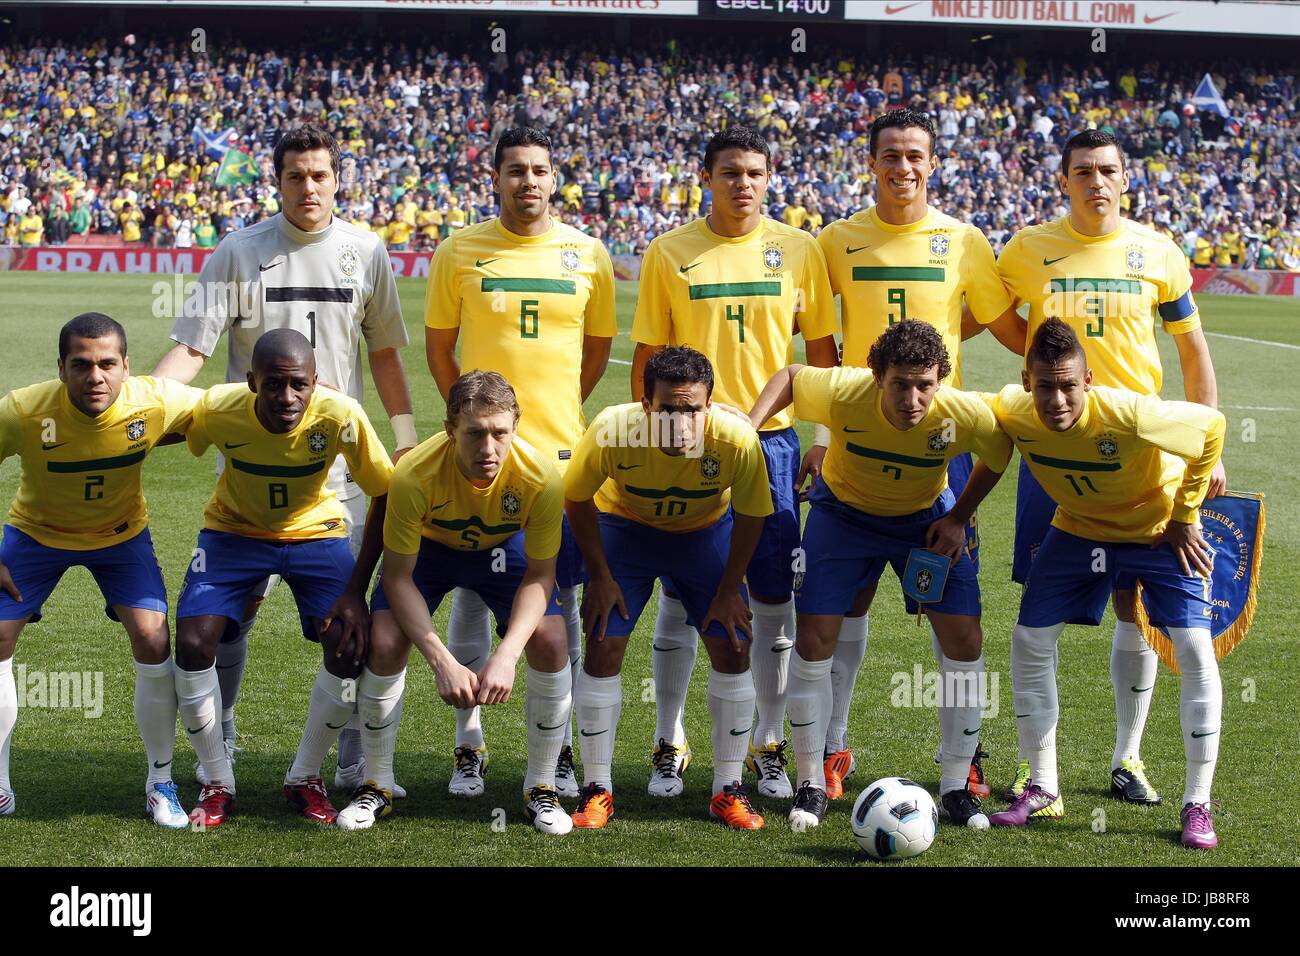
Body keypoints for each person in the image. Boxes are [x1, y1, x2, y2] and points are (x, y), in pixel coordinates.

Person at [152, 124, 416, 796]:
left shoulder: (365, 250)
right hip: (252, 467)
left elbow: (384, 350)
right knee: (227, 616)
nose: (308, 188)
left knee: (352, 621)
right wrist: (143, 407)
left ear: (337, 180)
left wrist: (406, 434)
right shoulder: (240, 253)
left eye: (319, 175)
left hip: (339, 473)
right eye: (295, 176)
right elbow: (192, 347)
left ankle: (352, 758)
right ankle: (226, 726)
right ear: (277, 181)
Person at [997, 128, 1225, 808]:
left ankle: (1127, 758)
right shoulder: (1027, 249)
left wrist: (1201, 441)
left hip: (1140, 458)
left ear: (1125, 180)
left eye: (1108, 170)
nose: (1096, 181)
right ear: (1062, 180)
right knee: (1043, 612)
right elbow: (1000, 321)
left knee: (1134, 606)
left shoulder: (1156, 251)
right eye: (1083, 171)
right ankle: (1040, 774)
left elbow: (1192, 349)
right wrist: (1044, 370)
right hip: (1058, 450)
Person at [814, 107, 1026, 800]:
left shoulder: (963, 241)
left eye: (915, 156)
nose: (903, 168)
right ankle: (831, 747)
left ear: (932, 164)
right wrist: (823, 435)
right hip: (856, 438)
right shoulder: (837, 240)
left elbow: (997, 323)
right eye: (891, 156)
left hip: (940, 448)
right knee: (850, 597)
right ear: (870, 162)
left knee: (945, 603)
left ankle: (961, 760)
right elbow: (820, 347)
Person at [630, 125, 838, 800]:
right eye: (729, 172)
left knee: (773, 597)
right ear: (707, 177)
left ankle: (766, 744)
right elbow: (645, 362)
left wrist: (824, 439)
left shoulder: (799, 249)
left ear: (769, 176)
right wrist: (654, 437)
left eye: (753, 172)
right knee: (679, 591)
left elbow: (824, 358)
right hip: (690, 441)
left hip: (774, 444)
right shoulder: (670, 252)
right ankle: (670, 739)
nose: (742, 183)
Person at [747, 320, 1010, 830]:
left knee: (965, 637)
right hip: (843, 517)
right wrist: (750, 423)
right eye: (900, 384)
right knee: (816, 637)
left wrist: (958, 518)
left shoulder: (963, 413)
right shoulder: (845, 391)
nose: (913, 398)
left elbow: (998, 454)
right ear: (876, 377)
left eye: (925, 385)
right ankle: (811, 783)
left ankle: (956, 784)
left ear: (941, 381)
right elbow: (791, 375)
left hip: (924, 520)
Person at [982, 319, 1225, 849]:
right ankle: (1043, 787)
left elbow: (1211, 427)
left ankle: (1197, 804)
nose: (1057, 399)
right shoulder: (1010, 409)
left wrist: (1186, 514)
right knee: (1028, 639)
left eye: (1068, 385)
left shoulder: (1129, 412)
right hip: (1078, 528)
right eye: (1045, 386)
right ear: (1027, 381)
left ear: (1088, 380)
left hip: (1157, 531)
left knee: (1194, 652)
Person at [425, 127, 615, 799]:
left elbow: (594, 355)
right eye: (515, 170)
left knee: (551, 605)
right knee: (473, 599)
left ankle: (556, 751)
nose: (527, 181)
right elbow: (440, 353)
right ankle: (468, 743)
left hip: (557, 457)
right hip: (478, 450)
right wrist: (474, 421)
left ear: (553, 178)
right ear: (495, 178)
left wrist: (553, 415)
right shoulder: (459, 250)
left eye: (539, 170)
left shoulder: (588, 254)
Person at [334, 371, 575, 835]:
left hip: (504, 550)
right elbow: (399, 576)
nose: (489, 449)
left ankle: (541, 786)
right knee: (384, 640)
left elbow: (542, 577)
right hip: (432, 552)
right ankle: (377, 783)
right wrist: (441, 660)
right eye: (475, 434)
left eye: (500, 433)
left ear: (515, 427)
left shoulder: (541, 477)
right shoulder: (413, 474)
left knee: (550, 637)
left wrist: (507, 656)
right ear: (449, 430)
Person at [174, 329, 393, 828]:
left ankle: (305, 776)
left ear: (317, 382)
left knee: (349, 642)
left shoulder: (341, 415)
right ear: (251, 382)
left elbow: (384, 491)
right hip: (231, 534)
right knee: (191, 642)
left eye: (299, 385)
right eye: (273, 384)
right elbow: (169, 428)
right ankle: (216, 780)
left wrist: (357, 590)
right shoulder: (217, 409)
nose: (286, 397)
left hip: (316, 535)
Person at [0, 313, 202, 827]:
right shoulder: (24, 410)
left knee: (154, 639)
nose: (96, 377)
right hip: (35, 535)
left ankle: (160, 782)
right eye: (82, 365)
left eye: (108, 364)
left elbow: (228, 412)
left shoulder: (153, 398)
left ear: (126, 366)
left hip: (120, 538)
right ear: (61, 368)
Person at [564, 347, 771, 830]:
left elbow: (754, 514)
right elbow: (576, 500)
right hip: (627, 530)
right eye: (669, 411)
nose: (681, 424)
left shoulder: (736, 439)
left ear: (711, 405)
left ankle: (728, 788)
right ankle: (598, 788)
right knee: (602, 642)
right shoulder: (613, 430)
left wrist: (728, 588)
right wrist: (598, 575)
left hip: (704, 535)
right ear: (645, 404)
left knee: (733, 643)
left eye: (692, 410)